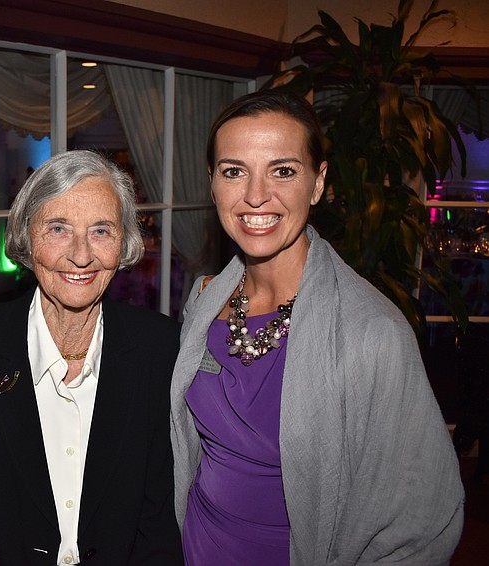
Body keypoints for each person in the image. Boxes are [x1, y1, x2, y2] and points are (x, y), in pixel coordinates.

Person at [170, 90, 464, 564]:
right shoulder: (205, 300)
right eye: (234, 171)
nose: (255, 195)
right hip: (194, 547)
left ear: (318, 183)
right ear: (212, 184)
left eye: (283, 170)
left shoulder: (372, 334)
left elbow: (421, 523)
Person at [0, 150, 183, 565]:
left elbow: (159, 521)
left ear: (124, 244)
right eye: (58, 228)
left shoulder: (160, 350)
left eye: (101, 230)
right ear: (28, 239)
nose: (81, 255)